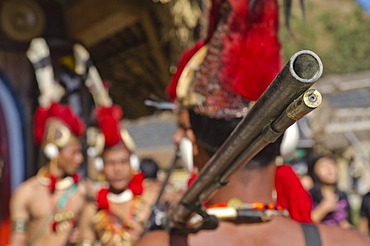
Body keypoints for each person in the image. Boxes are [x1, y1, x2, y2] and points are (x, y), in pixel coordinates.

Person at [79, 105, 161, 245]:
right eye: (111, 163)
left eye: (123, 162)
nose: (118, 169)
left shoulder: (152, 194)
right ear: (101, 167)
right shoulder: (92, 209)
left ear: (132, 163)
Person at [10, 102, 88, 245]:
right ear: (53, 152)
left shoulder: (84, 191)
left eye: (80, 152)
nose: (80, 159)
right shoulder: (26, 192)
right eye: (74, 153)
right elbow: (17, 240)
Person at [308, 154, 353, 228]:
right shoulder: (309, 195)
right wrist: (323, 209)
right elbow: (304, 223)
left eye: (332, 164)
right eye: (323, 166)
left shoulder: (342, 195)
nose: (330, 169)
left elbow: (347, 223)